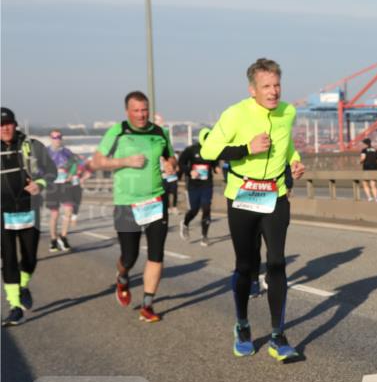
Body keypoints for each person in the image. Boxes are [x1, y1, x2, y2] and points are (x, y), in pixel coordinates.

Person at [200, 58, 306, 361]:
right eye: (266, 87)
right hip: (243, 197)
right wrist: (247, 148)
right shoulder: (235, 114)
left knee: (276, 264)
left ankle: (277, 336)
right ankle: (243, 325)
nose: (273, 92)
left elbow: (286, 147)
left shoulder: (288, 112)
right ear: (252, 90)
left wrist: (294, 161)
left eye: (276, 85)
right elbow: (209, 151)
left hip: (275, 197)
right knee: (246, 265)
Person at [91, 91, 178, 323]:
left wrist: (171, 165)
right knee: (129, 257)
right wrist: (124, 161)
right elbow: (96, 161)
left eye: (144, 110)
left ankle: (147, 305)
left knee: (156, 255)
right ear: (127, 111)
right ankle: (122, 276)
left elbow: (171, 157)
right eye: (136, 110)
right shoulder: (118, 131)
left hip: (156, 201)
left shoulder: (159, 132)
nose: (141, 115)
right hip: (126, 203)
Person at [1, 107, 57, 326]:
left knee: (30, 258)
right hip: (2, 212)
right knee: (8, 259)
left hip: (29, 209)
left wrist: (40, 184)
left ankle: (23, 285)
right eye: (0, 125)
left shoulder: (32, 146)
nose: (5, 128)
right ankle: (14, 306)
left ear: (15, 125)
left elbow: (52, 171)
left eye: (8, 123)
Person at [178, 128, 218, 246]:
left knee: (206, 208)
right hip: (194, 185)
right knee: (194, 210)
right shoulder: (191, 150)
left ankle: (204, 236)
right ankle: (185, 223)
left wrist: (216, 168)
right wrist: (190, 171)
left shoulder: (212, 150)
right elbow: (181, 163)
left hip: (207, 184)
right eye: (207, 138)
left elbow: (214, 163)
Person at [45, 129, 80, 252]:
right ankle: (53, 240)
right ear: (50, 138)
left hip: (65, 185)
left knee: (69, 211)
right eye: (54, 137)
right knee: (54, 215)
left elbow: (76, 163)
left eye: (58, 137)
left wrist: (71, 174)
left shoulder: (67, 152)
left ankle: (63, 237)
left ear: (61, 138)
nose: (56, 139)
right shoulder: (46, 152)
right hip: (52, 186)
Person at [69, 156, 93, 225]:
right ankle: (69, 215)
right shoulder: (72, 165)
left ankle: (74, 218)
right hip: (68, 185)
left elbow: (89, 174)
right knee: (70, 202)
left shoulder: (86, 166)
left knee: (77, 202)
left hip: (78, 186)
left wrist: (83, 179)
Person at [359, 137, 377, 202]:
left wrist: (359, 162)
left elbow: (363, 158)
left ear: (365, 144)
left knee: (365, 183)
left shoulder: (364, 150)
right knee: (373, 183)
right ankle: (376, 198)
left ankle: (369, 197)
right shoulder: (375, 150)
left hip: (367, 167)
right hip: (375, 167)